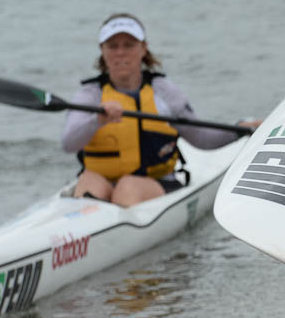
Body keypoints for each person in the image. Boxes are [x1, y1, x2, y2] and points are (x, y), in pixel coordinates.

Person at [61, 13, 258, 207]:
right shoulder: (89, 95)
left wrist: (240, 129)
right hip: (104, 181)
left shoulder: (164, 92)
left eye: (129, 45)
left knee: (128, 186)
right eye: (113, 46)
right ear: (102, 50)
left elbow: (201, 138)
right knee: (88, 180)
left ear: (143, 48)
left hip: (158, 183)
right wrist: (97, 119)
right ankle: (89, 219)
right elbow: (69, 144)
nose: (120, 52)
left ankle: (117, 219)